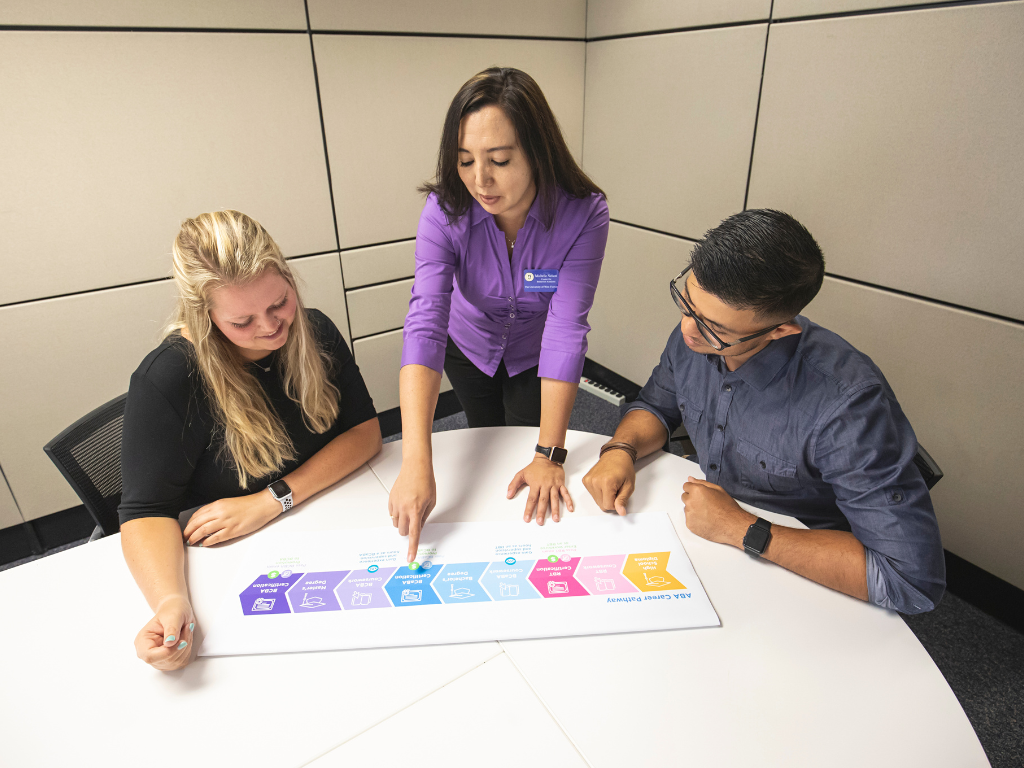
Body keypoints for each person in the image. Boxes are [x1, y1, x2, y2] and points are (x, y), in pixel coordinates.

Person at [582, 209, 945, 614]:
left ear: (779, 331)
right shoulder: (698, 332)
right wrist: (621, 449)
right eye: (687, 303)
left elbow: (911, 580)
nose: (686, 330)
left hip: (797, 562)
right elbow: (656, 404)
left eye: (713, 328)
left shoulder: (848, 408)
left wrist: (740, 528)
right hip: (710, 537)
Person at [118, 210, 382, 670]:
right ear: (205, 318)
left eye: (280, 302)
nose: (270, 326)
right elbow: (144, 511)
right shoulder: (170, 377)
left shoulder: (314, 329)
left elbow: (365, 432)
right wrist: (169, 602)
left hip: (313, 526)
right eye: (242, 321)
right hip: (229, 563)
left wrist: (272, 499)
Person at [390, 67, 610, 561]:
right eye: (465, 161)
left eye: (501, 160)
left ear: (537, 151)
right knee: (483, 436)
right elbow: (425, 320)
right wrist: (415, 461)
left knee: (526, 445)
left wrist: (551, 454)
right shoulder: (444, 210)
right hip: (466, 345)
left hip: (537, 353)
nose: (480, 181)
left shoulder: (582, 213)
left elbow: (566, 325)